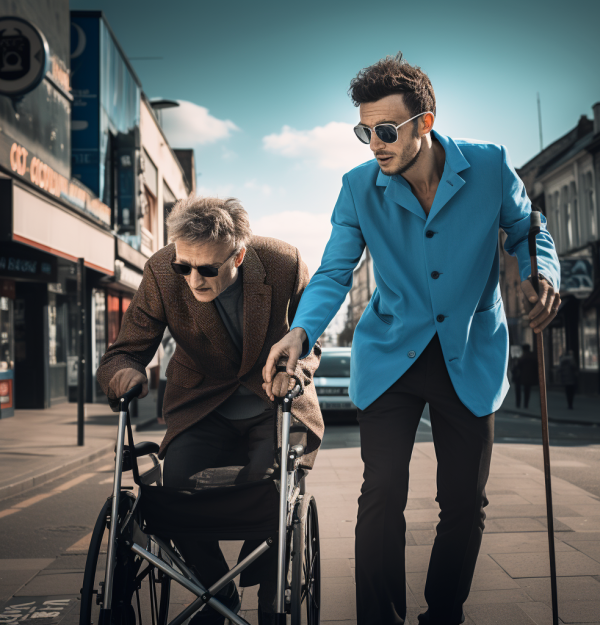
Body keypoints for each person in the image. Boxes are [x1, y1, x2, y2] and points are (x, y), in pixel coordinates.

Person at [262, 53, 561, 625]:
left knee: (464, 504)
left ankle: (443, 614)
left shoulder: (490, 166)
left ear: (424, 123)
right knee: (380, 498)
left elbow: (527, 229)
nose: (374, 143)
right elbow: (332, 272)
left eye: (386, 130)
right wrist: (302, 328)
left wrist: (540, 272)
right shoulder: (357, 187)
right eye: (363, 131)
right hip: (391, 355)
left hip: (469, 352)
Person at [96, 197, 323, 625]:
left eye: (207, 269)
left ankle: (272, 602)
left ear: (238, 255)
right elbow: (122, 353)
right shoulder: (163, 271)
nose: (193, 279)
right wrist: (123, 374)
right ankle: (219, 591)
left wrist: (295, 374)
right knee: (175, 493)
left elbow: (311, 341)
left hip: (270, 403)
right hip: (201, 404)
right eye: (185, 266)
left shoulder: (283, 263)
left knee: (270, 490)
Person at [157, 327, 175, 425]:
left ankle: (161, 416)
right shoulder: (171, 343)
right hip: (167, 372)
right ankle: (160, 416)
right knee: (163, 392)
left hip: (169, 372)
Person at [517, 344, 539, 409]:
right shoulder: (533, 356)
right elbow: (536, 368)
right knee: (527, 391)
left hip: (522, 376)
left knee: (519, 390)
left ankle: (518, 404)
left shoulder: (522, 357)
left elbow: (518, 367)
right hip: (530, 376)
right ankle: (526, 404)